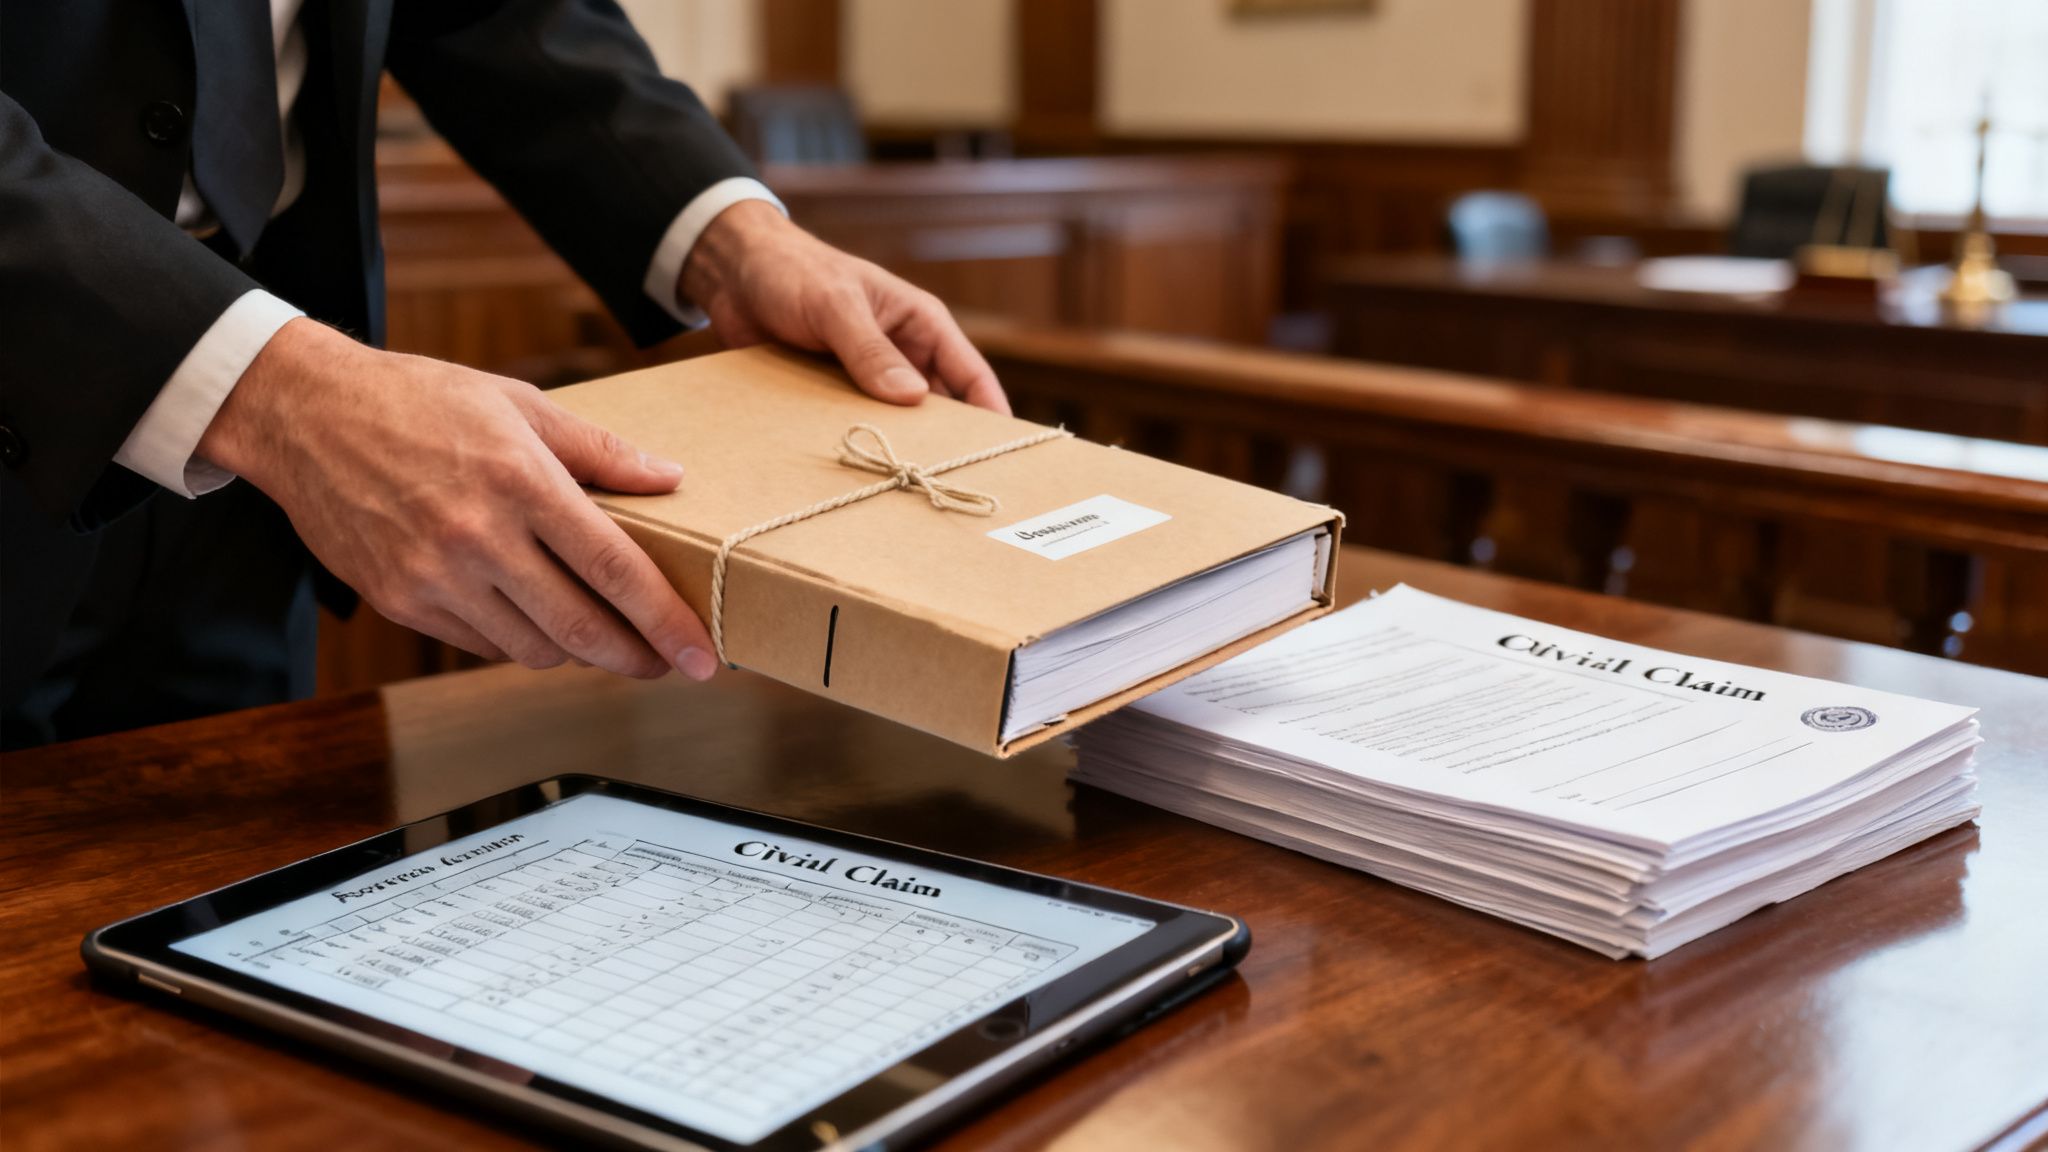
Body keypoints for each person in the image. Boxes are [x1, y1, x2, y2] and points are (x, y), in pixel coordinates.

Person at [0, 1, 1008, 749]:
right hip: (96, 387)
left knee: (231, 923)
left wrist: (726, 231)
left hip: (257, 488)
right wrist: (276, 392)